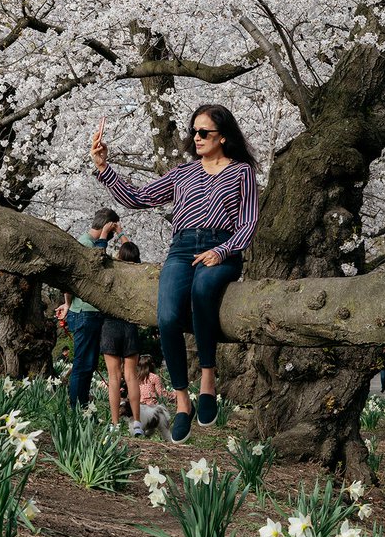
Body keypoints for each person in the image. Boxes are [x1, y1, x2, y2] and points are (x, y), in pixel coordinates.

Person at [91, 104, 259, 443]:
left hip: (222, 247)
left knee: (202, 293)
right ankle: (183, 401)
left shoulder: (241, 172)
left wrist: (222, 251)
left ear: (222, 136)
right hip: (181, 248)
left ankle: (208, 380)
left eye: (204, 132)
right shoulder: (183, 174)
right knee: (167, 316)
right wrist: (104, 167)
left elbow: (250, 221)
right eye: (193, 131)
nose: (195, 137)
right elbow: (139, 198)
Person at [54, 208, 124, 408]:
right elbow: (77, 277)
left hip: (89, 313)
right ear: (107, 227)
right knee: (83, 363)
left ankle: (82, 403)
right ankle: (77, 406)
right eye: (112, 231)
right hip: (85, 313)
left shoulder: (90, 244)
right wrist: (68, 304)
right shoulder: (86, 245)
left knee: (89, 363)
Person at [101, 241, 145, 435]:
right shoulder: (140, 274)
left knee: (113, 377)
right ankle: (136, 423)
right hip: (130, 326)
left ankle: (115, 423)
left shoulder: (113, 271)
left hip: (110, 326)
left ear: (119, 255)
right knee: (131, 376)